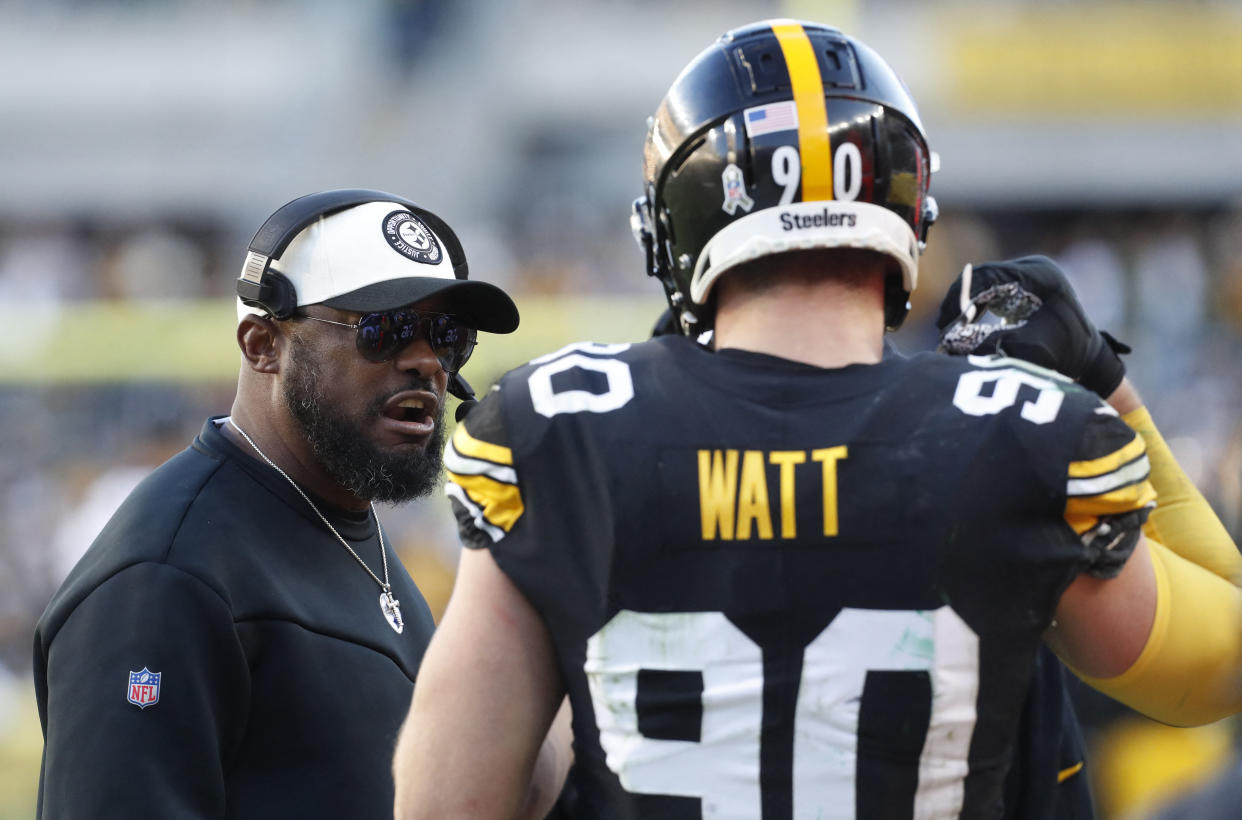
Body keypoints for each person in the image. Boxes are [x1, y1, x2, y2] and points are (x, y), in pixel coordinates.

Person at [392, 21, 1242, 819]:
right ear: (908, 213)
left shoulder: (561, 429)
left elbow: (448, 804)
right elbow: (1220, 664)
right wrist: (1105, 385)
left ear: (674, 225)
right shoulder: (1018, 431)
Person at [32, 189, 521, 818]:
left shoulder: (343, 522)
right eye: (384, 328)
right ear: (263, 344)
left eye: (447, 335)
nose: (426, 360)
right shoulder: (166, 576)